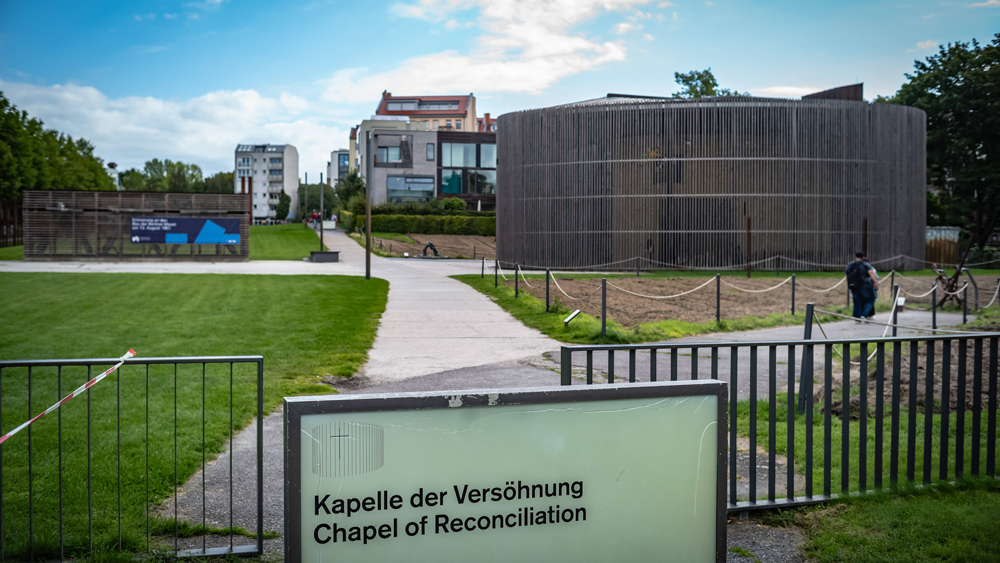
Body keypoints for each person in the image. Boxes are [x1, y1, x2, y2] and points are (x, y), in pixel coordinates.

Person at [845, 251, 878, 319]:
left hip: (854, 285)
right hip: (865, 285)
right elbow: (871, 272)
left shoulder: (850, 264)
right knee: (870, 300)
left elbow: (847, 274)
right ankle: (864, 314)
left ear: (855, 256)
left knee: (857, 301)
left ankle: (857, 317)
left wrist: (849, 282)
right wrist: (875, 282)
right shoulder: (865, 264)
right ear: (863, 257)